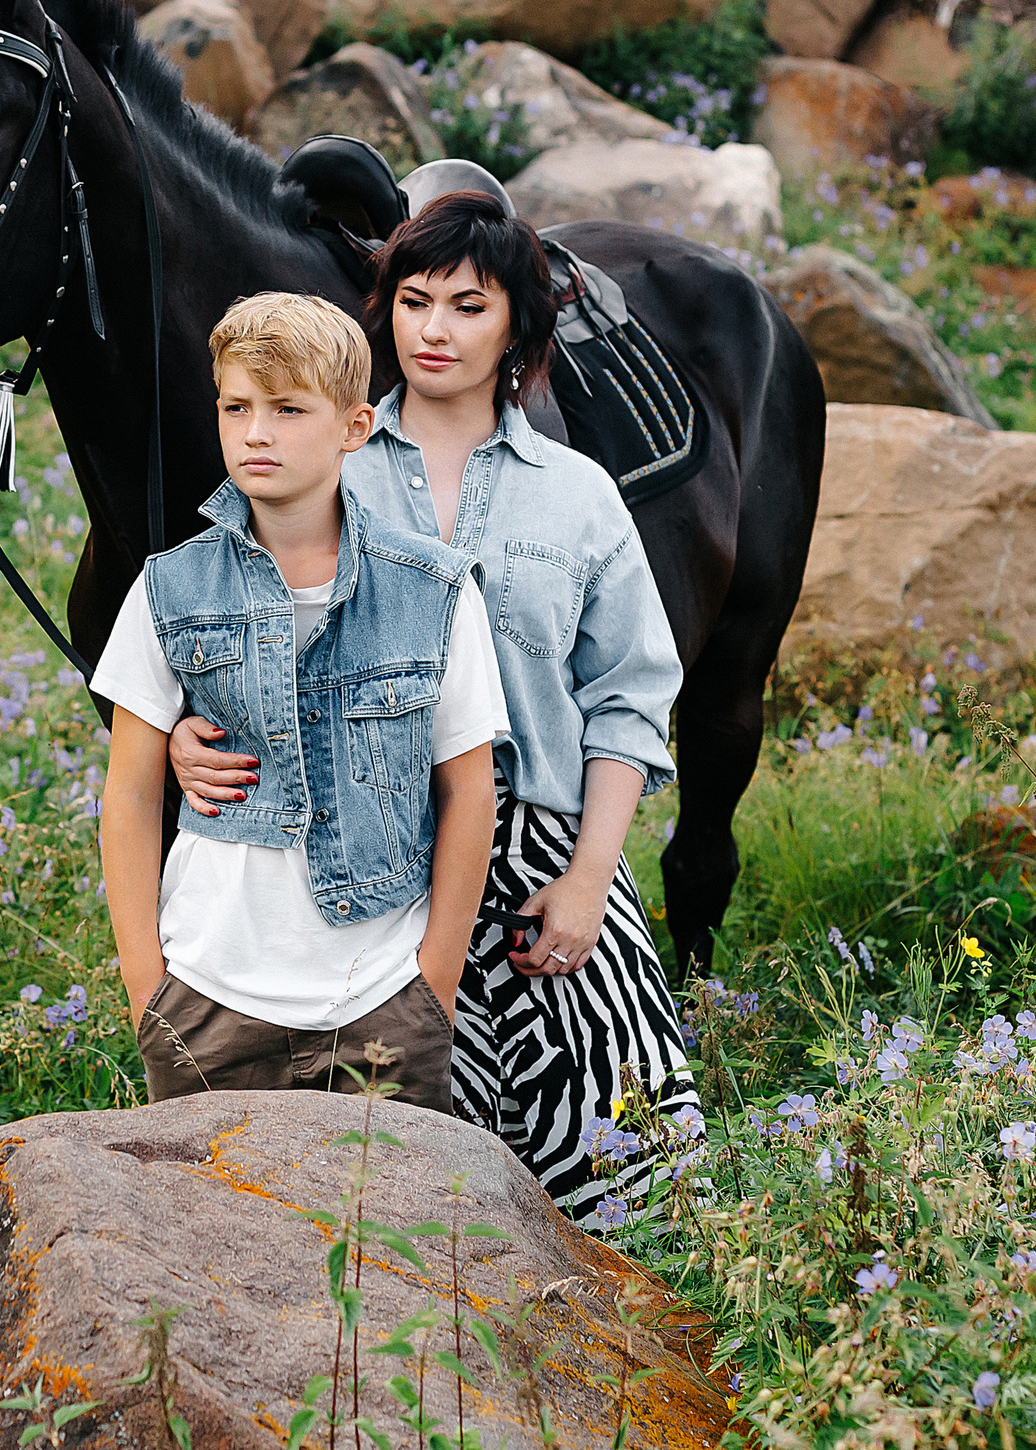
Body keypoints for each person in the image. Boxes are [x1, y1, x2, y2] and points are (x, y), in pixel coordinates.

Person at [170, 193, 695, 1222]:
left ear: (517, 327)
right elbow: (220, 621)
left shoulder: (578, 495)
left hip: (542, 857)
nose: (435, 330)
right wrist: (188, 730)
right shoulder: (324, 464)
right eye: (414, 302)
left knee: (632, 1164)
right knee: (378, 1180)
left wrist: (589, 879)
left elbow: (630, 699)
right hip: (362, 849)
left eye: (468, 305)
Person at [92, 291, 507, 1111]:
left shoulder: (434, 590)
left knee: (384, 1201)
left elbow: (469, 793)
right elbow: (130, 793)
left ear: (355, 426)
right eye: (236, 407)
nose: (256, 432)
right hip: (207, 997)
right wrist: (148, 988)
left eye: (287, 409)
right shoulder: (169, 588)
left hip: (383, 999)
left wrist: (434, 982)